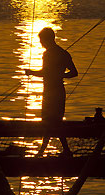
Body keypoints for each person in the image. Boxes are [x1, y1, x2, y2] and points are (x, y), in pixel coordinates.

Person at [25, 27, 78, 157]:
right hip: (58, 91)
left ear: (48, 39)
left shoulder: (48, 54)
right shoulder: (64, 53)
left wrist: (30, 72)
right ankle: (56, 150)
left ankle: (46, 151)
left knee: (50, 122)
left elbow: (45, 72)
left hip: (51, 93)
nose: (41, 43)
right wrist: (61, 76)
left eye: (42, 40)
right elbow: (73, 73)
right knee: (53, 122)